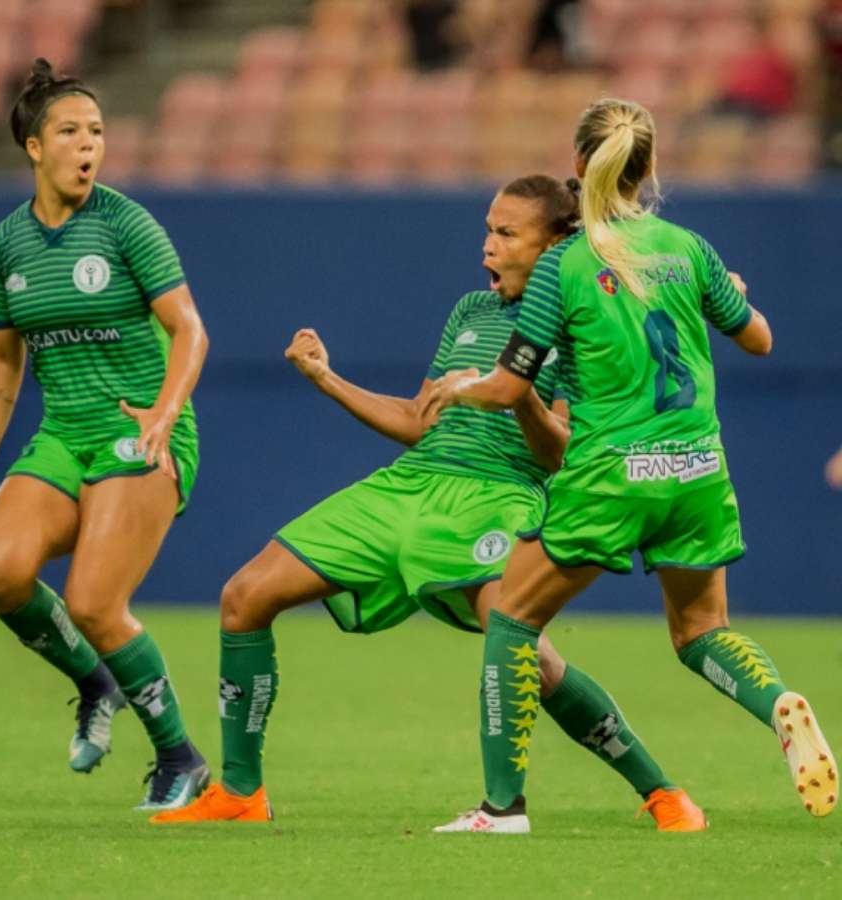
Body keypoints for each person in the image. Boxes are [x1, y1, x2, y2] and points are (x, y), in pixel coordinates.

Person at [151, 174, 704, 832]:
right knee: (245, 596)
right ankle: (242, 792)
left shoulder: (586, 323)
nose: (488, 247)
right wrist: (327, 379)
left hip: (501, 494)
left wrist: (517, 392)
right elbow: (420, 419)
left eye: (506, 234)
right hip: (411, 485)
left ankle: (659, 793)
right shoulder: (472, 310)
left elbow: (561, 454)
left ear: (556, 242)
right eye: (487, 231)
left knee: (525, 646)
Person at [430, 98, 836, 834]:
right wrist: (732, 296)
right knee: (702, 630)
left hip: (612, 475)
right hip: (697, 468)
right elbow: (760, 342)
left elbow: (510, 386)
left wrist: (457, 385)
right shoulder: (687, 246)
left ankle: (501, 809)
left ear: (579, 165)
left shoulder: (564, 264)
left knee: (513, 620)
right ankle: (774, 699)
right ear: (649, 170)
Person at [0, 60, 211, 811]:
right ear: (34, 147)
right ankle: (95, 680)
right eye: (71, 132)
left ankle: (180, 758)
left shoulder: (126, 224)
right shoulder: (5, 245)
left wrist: (163, 413)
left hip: (142, 433)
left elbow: (189, 331)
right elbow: (2, 360)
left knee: (95, 602)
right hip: (64, 434)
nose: (89, 144)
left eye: (97, 131)